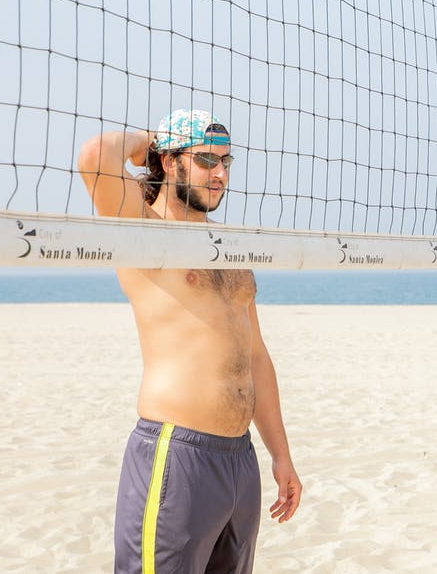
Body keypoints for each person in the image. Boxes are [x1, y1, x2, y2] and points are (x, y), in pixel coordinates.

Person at [77, 109, 301, 573]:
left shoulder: (229, 251)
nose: (220, 173)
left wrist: (280, 454)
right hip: (177, 454)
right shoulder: (141, 231)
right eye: (204, 160)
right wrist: (150, 141)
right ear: (169, 162)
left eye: (225, 161)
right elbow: (96, 156)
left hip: (240, 461)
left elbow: (255, 356)